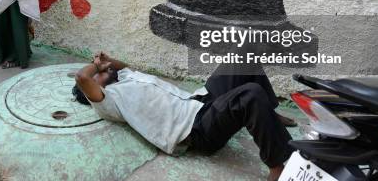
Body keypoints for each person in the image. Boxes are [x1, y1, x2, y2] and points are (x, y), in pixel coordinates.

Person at [73, 52, 294, 181]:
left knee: (243, 57)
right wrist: (94, 66)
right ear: (90, 91)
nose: (102, 72)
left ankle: (268, 113)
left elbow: (120, 66)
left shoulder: (124, 77)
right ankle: (277, 166)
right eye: (98, 74)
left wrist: (107, 60)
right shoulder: (107, 101)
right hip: (196, 130)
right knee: (250, 96)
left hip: (200, 101)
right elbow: (82, 78)